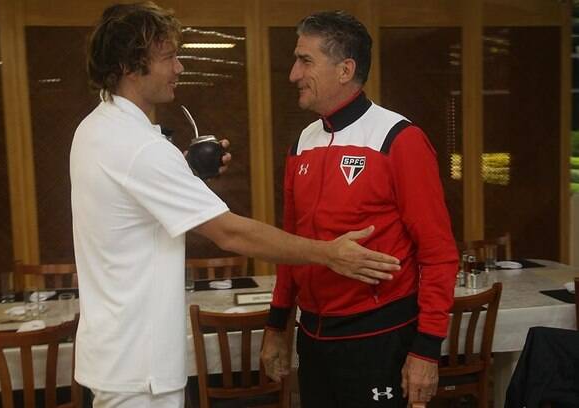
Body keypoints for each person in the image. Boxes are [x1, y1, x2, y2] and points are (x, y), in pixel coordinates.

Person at [71, 3, 402, 407]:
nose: (178, 68)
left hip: (115, 356)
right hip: (140, 368)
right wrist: (329, 253)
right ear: (130, 65)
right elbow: (229, 232)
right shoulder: (140, 148)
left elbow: (130, 200)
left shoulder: (94, 128)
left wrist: (185, 173)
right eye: (169, 57)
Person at [261, 10, 458, 408]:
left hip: (380, 341)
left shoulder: (399, 138)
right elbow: (290, 246)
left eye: (305, 61)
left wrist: (426, 351)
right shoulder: (303, 141)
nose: (293, 75)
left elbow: (439, 255)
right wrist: (277, 325)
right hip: (313, 339)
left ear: (345, 69)